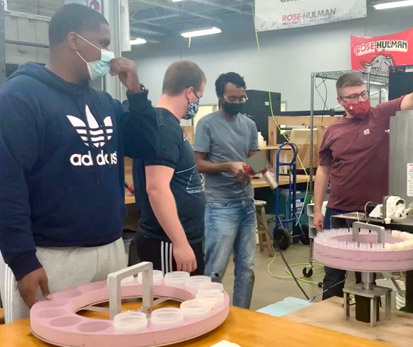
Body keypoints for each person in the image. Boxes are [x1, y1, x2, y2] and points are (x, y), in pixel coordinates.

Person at [0, 4, 158, 322]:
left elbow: (146, 145)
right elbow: (7, 183)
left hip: (110, 249)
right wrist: (22, 261)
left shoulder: (104, 102)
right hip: (52, 256)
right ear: (73, 40)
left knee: (107, 337)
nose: (108, 53)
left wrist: (136, 93)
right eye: (101, 43)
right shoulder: (20, 97)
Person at [314, 73, 413, 300]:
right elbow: (323, 170)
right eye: (353, 97)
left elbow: (412, 99)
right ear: (340, 101)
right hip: (338, 212)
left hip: (372, 215)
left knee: (367, 275)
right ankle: (329, 327)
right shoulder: (333, 131)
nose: (360, 100)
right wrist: (318, 209)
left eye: (363, 94)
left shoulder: (381, 115)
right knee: (333, 274)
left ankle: (365, 322)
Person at [133, 60, 207, 275]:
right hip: (167, 242)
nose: (197, 102)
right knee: (171, 304)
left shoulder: (169, 124)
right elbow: (156, 188)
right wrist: (180, 243)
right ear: (189, 92)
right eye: (199, 97)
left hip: (180, 239)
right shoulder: (163, 126)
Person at [194, 72, 258, 309]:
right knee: (215, 269)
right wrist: (228, 166)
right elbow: (198, 164)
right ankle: (209, 315)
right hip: (220, 205)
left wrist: (252, 170)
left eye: (242, 98)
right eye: (233, 98)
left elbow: (256, 160)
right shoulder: (206, 124)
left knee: (247, 268)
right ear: (221, 96)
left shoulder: (249, 125)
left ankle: (243, 315)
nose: (238, 103)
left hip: (246, 203)